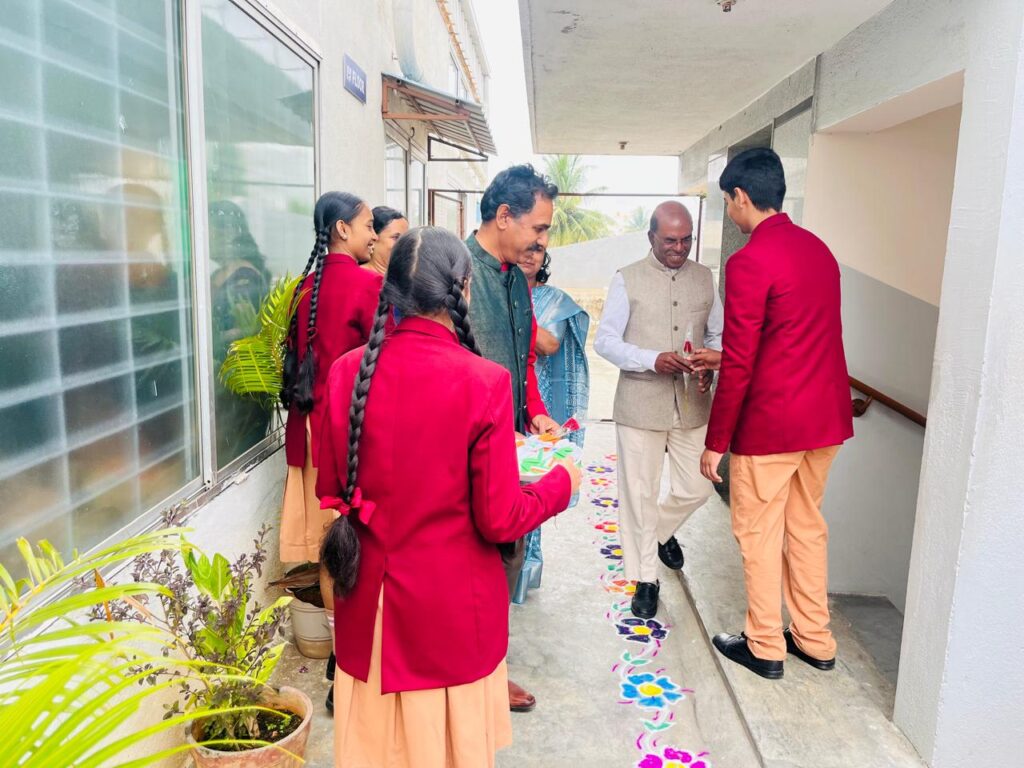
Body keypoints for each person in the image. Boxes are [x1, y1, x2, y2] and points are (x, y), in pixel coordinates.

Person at [317, 227, 582, 768]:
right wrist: (561, 483)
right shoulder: (484, 381)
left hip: (369, 609)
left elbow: (331, 484)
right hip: (449, 616)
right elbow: (500, 518)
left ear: (390, 287)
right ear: (462, 288)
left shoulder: (347, 373)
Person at [696, 148, 854, 680]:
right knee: (806, 527)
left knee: (758, 533)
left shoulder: (749, 261)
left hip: (771, 427)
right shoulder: (819, 251)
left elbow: (744, 360)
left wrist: (716, 441)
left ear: (741, 197)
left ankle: (765, 644)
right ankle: (815, 638)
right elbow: (795, 339)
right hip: (824, 422)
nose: (730, 211)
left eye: (727, 202)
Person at [594, 201, 723, 620]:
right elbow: (606, 341)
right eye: (670, 240)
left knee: (697, 487)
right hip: (640, 403)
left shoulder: (704, 278)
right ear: (651, 236)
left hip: (692, 403)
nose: (679, 248)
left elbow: (717, 335)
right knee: (639, 494)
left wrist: (709, 363)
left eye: (686, 240)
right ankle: (645, 578)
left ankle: (661, 531)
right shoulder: (626, 278)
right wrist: (651, 359)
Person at [465, 164, 561, 713]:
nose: (542, 241)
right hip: (462, 454)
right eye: (538, 227)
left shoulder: (516, 280)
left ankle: (489, 669)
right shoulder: (456, 272)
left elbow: (522, 363)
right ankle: (472, 677)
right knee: (469, 571)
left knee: (505, 560)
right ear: (504, 216)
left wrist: (536, 415)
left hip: (510, 448)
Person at [279, 191, 381, 709]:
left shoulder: (305, 288)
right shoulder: (368, 285)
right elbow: (382, 368)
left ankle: (339, 660)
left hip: (308, 434)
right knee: (361, 545)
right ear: (342, 229)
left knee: (329, 547)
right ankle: (356, 662)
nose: (373, 236)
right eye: (367, 225)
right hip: (351, 437)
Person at [512, 250, 590, 604]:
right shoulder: (498, 289)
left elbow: (549, 344)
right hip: (507, 392)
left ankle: (524, 573)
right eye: (525, 248)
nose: (530, 256)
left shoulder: (553, 299)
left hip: (538, 399)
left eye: (538, 250)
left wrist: (513, 315)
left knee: (534, 482)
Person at [365, 206, 408, 276]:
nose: (405, 244)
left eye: (406, 237)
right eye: (396, 237)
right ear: (373, 239)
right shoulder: (359, 277)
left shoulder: (408, 277)